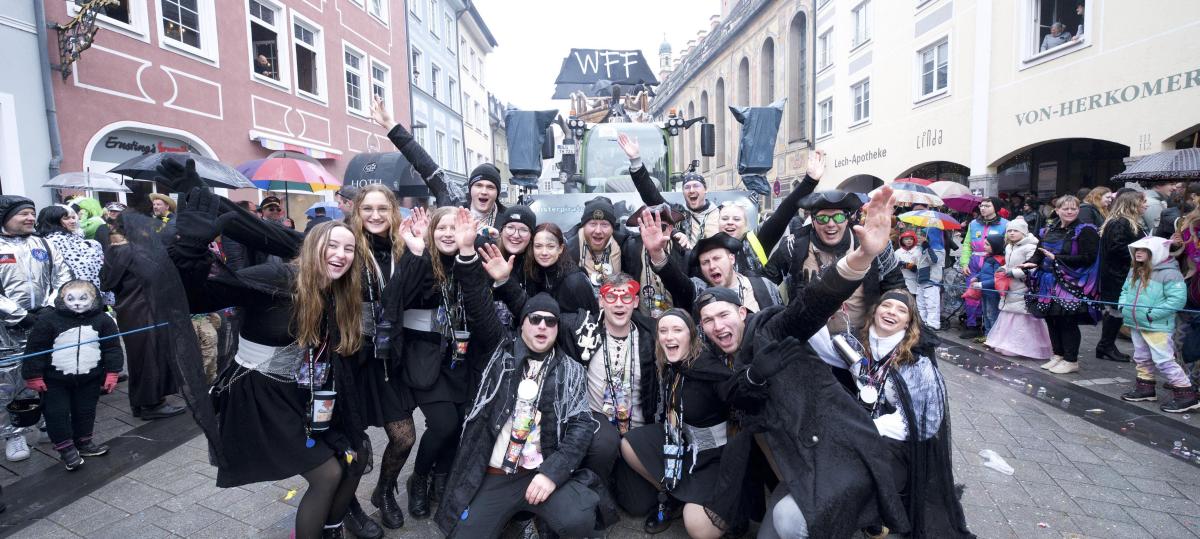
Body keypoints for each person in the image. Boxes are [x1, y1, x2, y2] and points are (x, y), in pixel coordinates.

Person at [699, 186, 910, 538]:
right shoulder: (712, 358)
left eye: (724, 315)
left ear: (741, 311)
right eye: (708, 321)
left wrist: (860, 259)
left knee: (791, 521)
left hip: (830, 440)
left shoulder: (768, 327)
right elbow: (733, 393)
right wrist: (753, 376)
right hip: (794, 457)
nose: (719, 326)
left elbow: (810, 305)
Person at [172, 196, 377, 538]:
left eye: (349, 249)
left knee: (355, 457)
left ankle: (331, 529)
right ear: (311, 246)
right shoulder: (277, 276)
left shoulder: (340, 292)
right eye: (332, 245)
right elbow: (201, 297)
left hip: (307, 392)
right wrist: (191, 246)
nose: (340, 255)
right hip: (258, 394)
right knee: (326, 474)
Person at [434, 208, 600, 538]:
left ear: (558, 327)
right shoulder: (503, 351)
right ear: (520, 323)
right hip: (497, 471)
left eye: (550, 321)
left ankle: (533, 515)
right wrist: (468, 254)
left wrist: (552, 473)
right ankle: (516, 519)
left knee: (578, 523)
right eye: (534, 319)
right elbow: (478, 305)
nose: (542, 326)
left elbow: (581, 426)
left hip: (540, 469)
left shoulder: (568, 369)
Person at [807, 290, 973, 537]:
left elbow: (926, 422)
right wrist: (816, 307)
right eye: (886, 305)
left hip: (899, 444)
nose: (891, 312)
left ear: (909, 322)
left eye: (901, 310)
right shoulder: (860, 345)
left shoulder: (916, 361)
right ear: (875, 312)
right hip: (865, 429)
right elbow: (824, 347)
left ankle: (874, 515)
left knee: (861, 474)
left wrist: (871, 427)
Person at [620, 308, 768, 537]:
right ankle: (672, 496)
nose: (669, 336)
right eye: (663, 331)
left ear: (691, 335)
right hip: (683, 442)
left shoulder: (709, 369)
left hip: (716, 455)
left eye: (677, 330)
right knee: (629, 445)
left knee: (698, 526)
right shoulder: (672, 364)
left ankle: (729, 511)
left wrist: (754, 379)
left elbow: (737, 393)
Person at [346, 184, 425, 534]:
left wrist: (418, 252)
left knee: (405, 436)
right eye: (367, 209)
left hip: (388, 357)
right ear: (357, 213)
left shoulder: (402, 247)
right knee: (350, 442)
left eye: (382, 208)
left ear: (394, 212)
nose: (375, 215)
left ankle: (386, 490)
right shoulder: (347, 247)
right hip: (350, 355)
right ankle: (345, 505)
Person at [398, 207, 478, 521]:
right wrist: (417, 251)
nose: (447, 234)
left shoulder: (467, 261)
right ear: (430, 232)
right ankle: (418, 479)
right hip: (425, 357)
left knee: (457, 425)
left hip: (459, 356)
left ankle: (441, 480)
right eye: (441, 228)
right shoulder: (417, 260)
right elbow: (401, 296)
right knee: (443, 423)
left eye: (453, 228)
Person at [766, 189, 905, 335]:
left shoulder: (872, 244)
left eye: (838, 217)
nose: (831, 224)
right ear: (813, 220)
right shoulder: (792, 245)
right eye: (823, 218)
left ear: (847, 219)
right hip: (807, 341)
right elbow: (766, 281)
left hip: (862, 336)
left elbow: (896, 286)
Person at [21, 280, 123, 470]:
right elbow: (35, 348)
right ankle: (66, 448)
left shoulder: (103, 320)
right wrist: (33, 375)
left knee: (85, 411)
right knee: (56, 413)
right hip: (55, 380)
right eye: (71, 298)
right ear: (62, 299)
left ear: (93, 299)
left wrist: (112, 372)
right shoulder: (48, 321)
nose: (77, 303)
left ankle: (84, 442)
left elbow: (112, 348)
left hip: (89, 378)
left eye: (83, 298)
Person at [0, 195, 72, 462]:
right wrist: (18, 314)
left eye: (32, 213)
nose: (31, 218)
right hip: (6, 330)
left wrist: (51, 308)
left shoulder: (44, 244)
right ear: (6, 217)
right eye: (23, 214)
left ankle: (47, 423)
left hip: (43, 324)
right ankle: (14, 434)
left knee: (47, 376)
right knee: (10, 383)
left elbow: (62, 278)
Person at [373, 97, 505, 228]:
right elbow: (423, 163)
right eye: (479, 185)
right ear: (470, 189)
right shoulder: (453, 200)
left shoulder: (506, 219)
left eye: (490, 187)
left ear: (497, 192)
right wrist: (390, 125)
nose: (484, 191)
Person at [101, 219, 185, 421]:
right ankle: (151, 404)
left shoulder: (114, 251)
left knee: (140, 358)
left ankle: (141, 402)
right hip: (144, 309)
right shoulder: (134, 252)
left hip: (131, 310)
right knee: (149, 357)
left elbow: (106, 282)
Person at [1118, 237, 1199, 412]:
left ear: (1155, 252)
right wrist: (1123, 306)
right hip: (1137, 321)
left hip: (1157, 325)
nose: (1138, 252)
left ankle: (1186, 394)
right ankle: (1145, 387)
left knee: (1163, 360)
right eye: (1136, 250)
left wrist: (1151, 315)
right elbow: (1125, 290)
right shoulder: (1135, 270)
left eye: (1143, 250)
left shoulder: (1170, 273)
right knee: (1141, 356)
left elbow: (1177, 300)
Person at [1024, 196, 1100, 375]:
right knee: (1051, 319)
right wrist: (1030, 263)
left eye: (1073, 208)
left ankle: (1071, 359)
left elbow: (1089, 258)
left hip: (1070, 283)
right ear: (1057, 210)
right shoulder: (1048, 229)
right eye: (1065, 208)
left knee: (1067, 321)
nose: (1070, 211)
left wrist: (1057, 259)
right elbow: (1039, 253)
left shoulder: (1086, 230)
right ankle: (1058, 355)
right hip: (1046, 281)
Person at [646, 227, 781, 314]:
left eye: (717, 258)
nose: (712, 266)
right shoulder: (699, 291)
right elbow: (675, 280)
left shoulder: (764, 285)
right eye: (705, 262)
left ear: (732, 259)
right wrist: (657, 254)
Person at [986, 217, 1052, 359]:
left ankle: (1021, 347)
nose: (1012, 233)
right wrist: (1003, 268)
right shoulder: (1009, 246)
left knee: (1023, 317)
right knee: (1009, 315)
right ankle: (1006, 343)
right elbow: (1009, 263)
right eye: (1009, 230)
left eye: (1016, 230)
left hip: (1024, 287)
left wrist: (1014, 273)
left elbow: (1033, 268)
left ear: (1024, 232)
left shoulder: (1030, 247)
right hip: (1011, 287)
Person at [1096, 190, 1147, 363]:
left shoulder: (1122, 221)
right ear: (1132, 203)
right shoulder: (1120, 222)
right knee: (1116, 311)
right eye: (1142, 201)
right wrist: (1140, 254)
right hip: (1118, 275)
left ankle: (1105, 345)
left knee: (1115, 311)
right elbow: (1117, 248)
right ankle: (1106, 346)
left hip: (1118, 274)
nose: (1145, 205)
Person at [521, 223, 598, 315]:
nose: (544, 252)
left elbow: (594, 319)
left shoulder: (575, 282)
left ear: (560, 248)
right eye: (538, 246)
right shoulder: (534, 272)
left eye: (550, 246)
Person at [37, 205, 108, 304]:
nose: (73, 221)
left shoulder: (76, 239)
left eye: (73, 217)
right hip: (75, 297)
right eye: (66, 218)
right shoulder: (56, 241)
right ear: (54, 220)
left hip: (88, 294)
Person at [958, 198, 1008, 339]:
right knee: (972, 294)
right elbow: (967, 244)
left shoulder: (1005, 224)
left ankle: (991, 329)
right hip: (974, 261)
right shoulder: (973, 223)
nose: (983, 208)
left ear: (996, 207)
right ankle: (972, 325)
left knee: (991, 296)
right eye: (981, 205)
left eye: (987, 205)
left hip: (994, 262)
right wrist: (964, 263)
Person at [568, 198, 622, 289]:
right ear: (584, 226)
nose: (598, 231)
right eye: (593, 224)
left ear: (612, 228)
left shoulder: (625, 246)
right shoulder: (568, 248)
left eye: (604, 225)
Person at [972, 235, 1007, 337]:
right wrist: (977, 277)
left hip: (992, 293)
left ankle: (994, 337)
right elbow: (984, 272)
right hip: (985, 291)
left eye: (987, 244)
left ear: (995, 246)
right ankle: (987, 335)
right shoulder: (989, 258)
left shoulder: (999, 261)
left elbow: (997, 279)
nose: (984, 246)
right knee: (986, 314)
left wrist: (980, 284)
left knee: (992, 314)